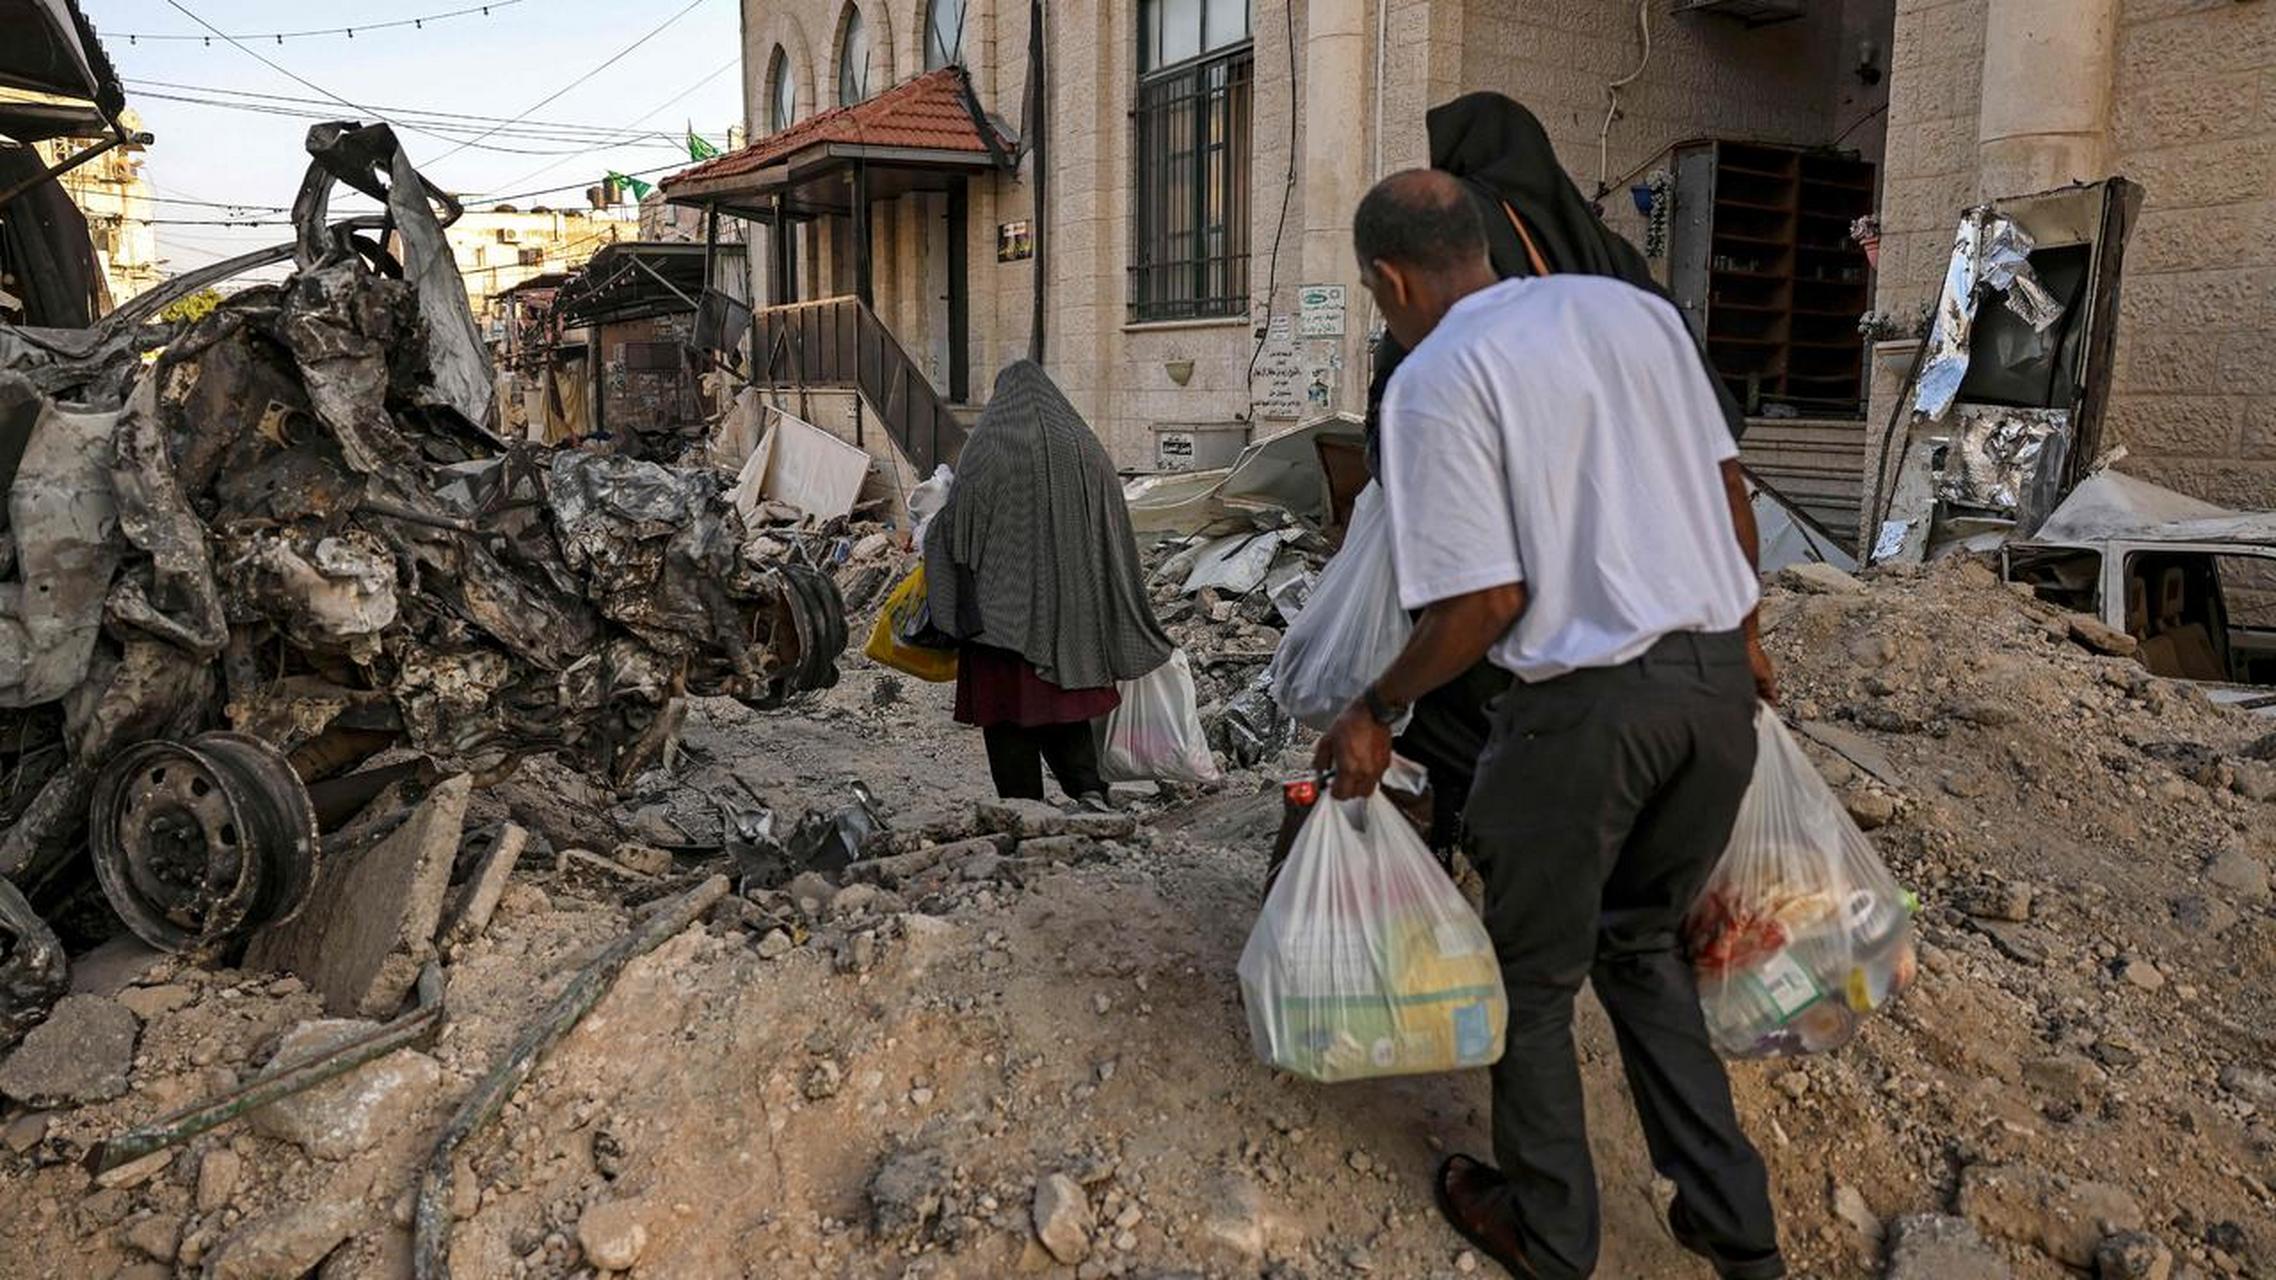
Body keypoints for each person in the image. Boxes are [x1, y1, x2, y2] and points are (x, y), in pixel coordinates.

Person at [1318, 170, 1784, 1280]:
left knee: (1525, 976)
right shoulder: (1632, 311)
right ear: (1477, 243)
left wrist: (1373, 705)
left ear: (1389, 279)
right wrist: (1748, 637)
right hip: (1714, 692)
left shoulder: (1434, 377)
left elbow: (1483, 604)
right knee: (1639, 947)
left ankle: (1545, 1227)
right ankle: (1735, 1225)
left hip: (1585, 716)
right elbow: (1730, 495)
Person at [1362, 93, 1746, 853]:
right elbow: (1718, 447)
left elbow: (1477, 584)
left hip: (1521, 582)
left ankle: (1465, 879)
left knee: (1474, 719)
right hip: (1660, 594)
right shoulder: (1614, 267)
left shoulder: (1461, 273)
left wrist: (1373, 705)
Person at [923, 361, 1173, 804]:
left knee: (1008, 721)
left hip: (1001, 625)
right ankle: (1088, 793)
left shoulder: (989, 447)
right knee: (1065, 712)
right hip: (1076, 620)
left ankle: (1024, 812)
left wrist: (934, 525)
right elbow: (1112, 529)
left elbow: (957, 533)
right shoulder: (1085, 445)